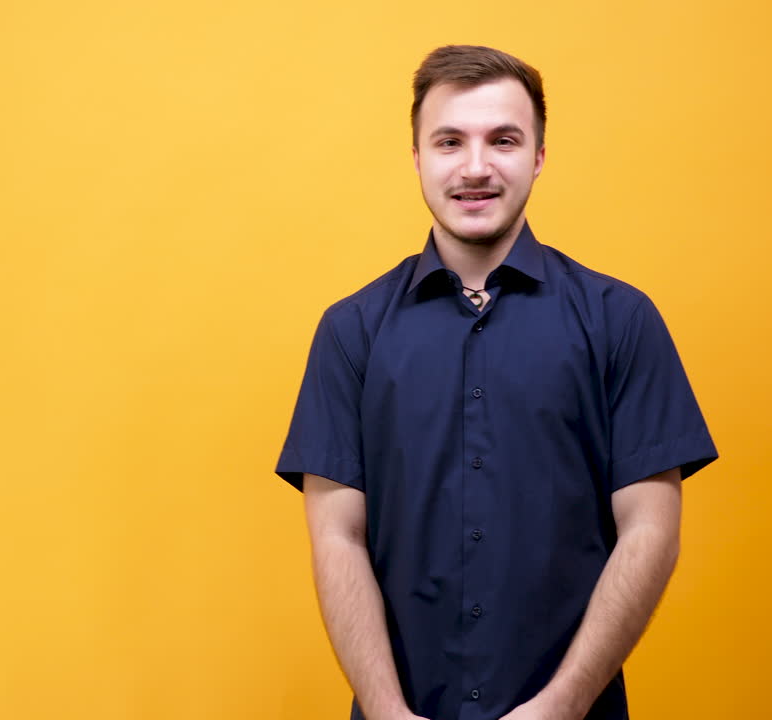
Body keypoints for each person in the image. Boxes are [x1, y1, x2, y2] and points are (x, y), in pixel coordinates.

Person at [273, 45, 718, 720]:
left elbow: (650, 532)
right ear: (417, 157)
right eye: (449, 141)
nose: (475, 167)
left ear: (538, 155)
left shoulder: (620, 320)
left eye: (503, 140)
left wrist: (562, 706)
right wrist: (388, 711)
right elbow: (337, 538)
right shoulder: (351, 331)